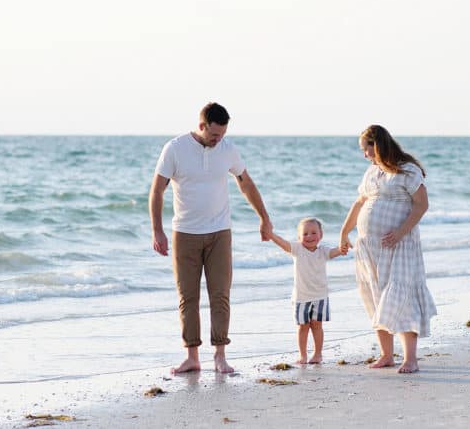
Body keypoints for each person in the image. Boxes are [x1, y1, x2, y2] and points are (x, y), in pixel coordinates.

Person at [149, 102, 272, 374]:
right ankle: (192, 356)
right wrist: (157, 230)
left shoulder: (227, 149)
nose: (219, 140)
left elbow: (245, 182)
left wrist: (263, 217)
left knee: (220, 294)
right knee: (188, 297)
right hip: (185, 233)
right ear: (202, 125)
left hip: (219, 232)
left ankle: (220, 355)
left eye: (223, 134)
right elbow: (157, 190)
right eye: (214, 135)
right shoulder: (175, 148)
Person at [339, 125, 437, 374]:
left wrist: (400, 233)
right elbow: (360, 202)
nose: (365, 155)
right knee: (374, 296)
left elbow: (421, 205)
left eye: (367, 149)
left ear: (378, 145)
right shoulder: (372, 172)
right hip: (369, 247)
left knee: (401, 298)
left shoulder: (407, 170)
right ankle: (386, 354)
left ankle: (410, 359)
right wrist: (344, 231)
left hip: (400, 246)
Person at [267, 218, 345, 364]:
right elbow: (283, 244)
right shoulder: (297, 249)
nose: (309, 236)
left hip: (320, 296)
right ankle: (302, 355)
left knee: (317, 325)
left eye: (314, 233)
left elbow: (337, 251)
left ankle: (318, 354)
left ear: (321, 235)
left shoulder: (323, 251)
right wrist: (271, 235)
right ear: (299, 237)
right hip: (301, 297)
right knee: (303, 327)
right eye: (305, 234)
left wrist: (344, 247)